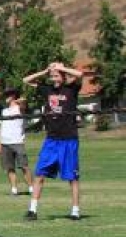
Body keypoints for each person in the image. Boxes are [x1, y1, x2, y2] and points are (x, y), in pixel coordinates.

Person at [23, 62, 84, 221]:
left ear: (63, 77)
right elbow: (26, 80)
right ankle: (32, 210)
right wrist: (45, 71)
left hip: (68, 139)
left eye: (57, 75)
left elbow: (80, 75)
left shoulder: (71, 88)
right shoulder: (47, 89)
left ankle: (75, 211)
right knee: (39, 174)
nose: (54, 77)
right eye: (53, 75)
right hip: (51, 139)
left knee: (72, 177)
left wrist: (61, 68)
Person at [0, 88, 33, 196]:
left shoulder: (19, 108)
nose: (5, 98)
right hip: (5, 142)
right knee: (9, 167)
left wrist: (16, 100)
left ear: (13, 96)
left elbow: (24, 102)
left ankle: (31, 187)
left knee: (24, 166)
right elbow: (2, 126)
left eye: (7, 95)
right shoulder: (4, 111)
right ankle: (14, 188)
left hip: (17, 141)